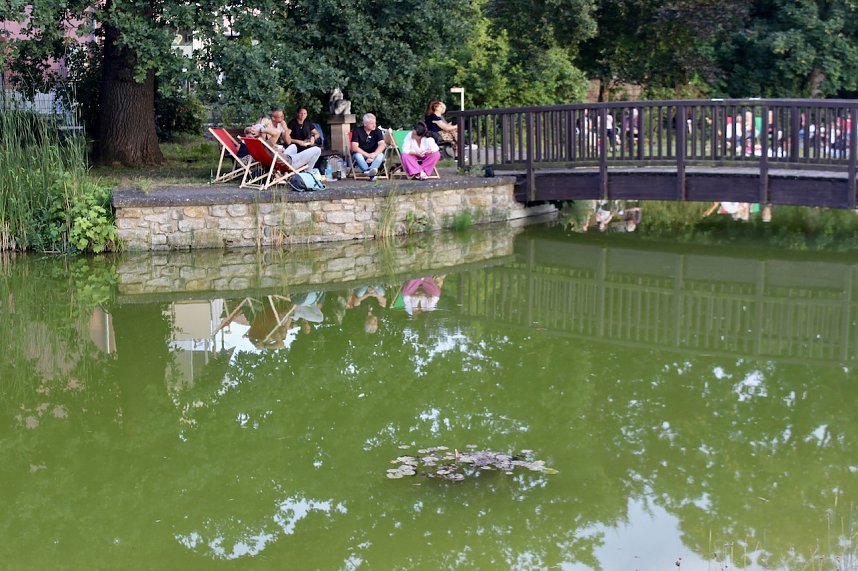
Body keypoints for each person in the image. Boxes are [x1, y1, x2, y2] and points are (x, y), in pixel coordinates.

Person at [248, 108, 321, 172]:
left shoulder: (259, 144)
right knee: (317, 150)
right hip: (289, 162)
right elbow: (276, 132)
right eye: (281, 116)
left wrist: (285, 129)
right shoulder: (266, 143)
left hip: (280, 157)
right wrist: (262, 129)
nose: (283, 118)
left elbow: (288, 141)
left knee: (293, 146)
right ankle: (308, 173)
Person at [351, 113, 386, 180]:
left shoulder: (377, 131)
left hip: (373, 155)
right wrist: (367, 155)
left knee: (380, 155)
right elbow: (354, 147)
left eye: (375, 123)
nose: (374, 125)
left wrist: (374, 154)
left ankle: (369, 171)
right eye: (371, 123)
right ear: (365, 124)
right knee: (358, 155)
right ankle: (370, 172)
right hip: (362, 154)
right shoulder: (357, 131)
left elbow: (382, 145)